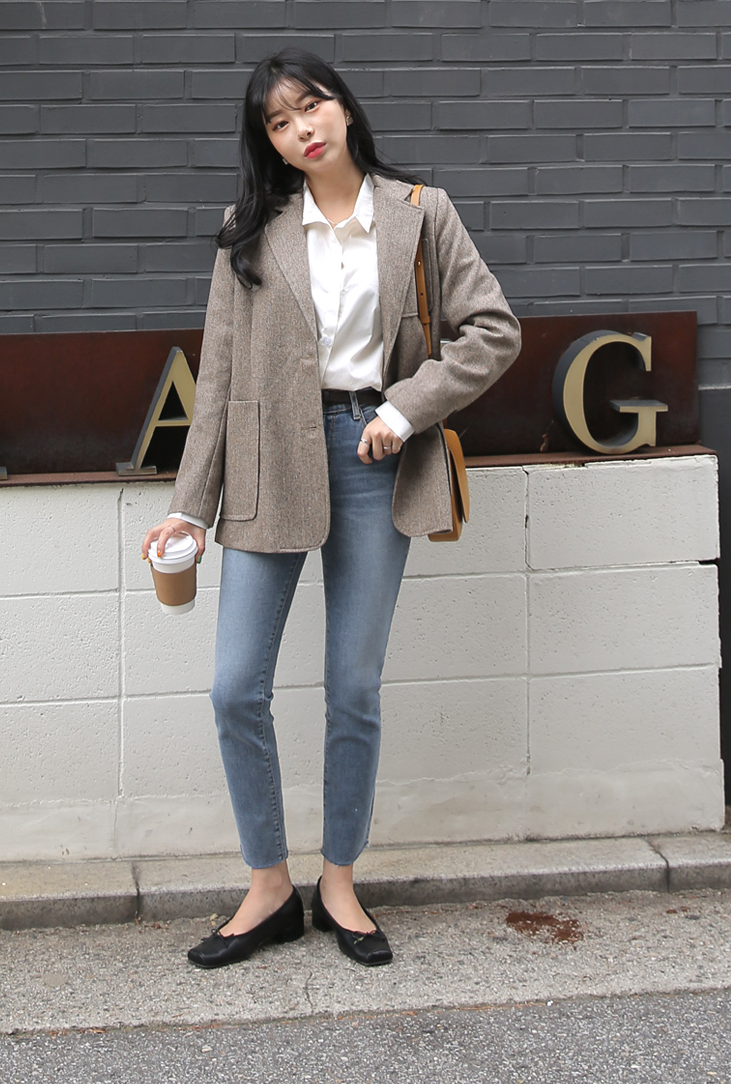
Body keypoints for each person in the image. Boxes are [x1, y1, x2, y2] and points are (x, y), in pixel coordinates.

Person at [142, 48, 521, 969]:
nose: (300, 129)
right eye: (278, 122)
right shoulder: (250, 229)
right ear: (268, 143)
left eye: (309, 106)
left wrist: (405, 409)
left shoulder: (421, 212)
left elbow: (493, 329)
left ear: (343, 108)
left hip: (371, 456)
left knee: (353, 686)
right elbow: (219, 379)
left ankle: (340, 882)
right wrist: (190, 507)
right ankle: (270, 887)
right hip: (269, 459)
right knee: (235, 685)